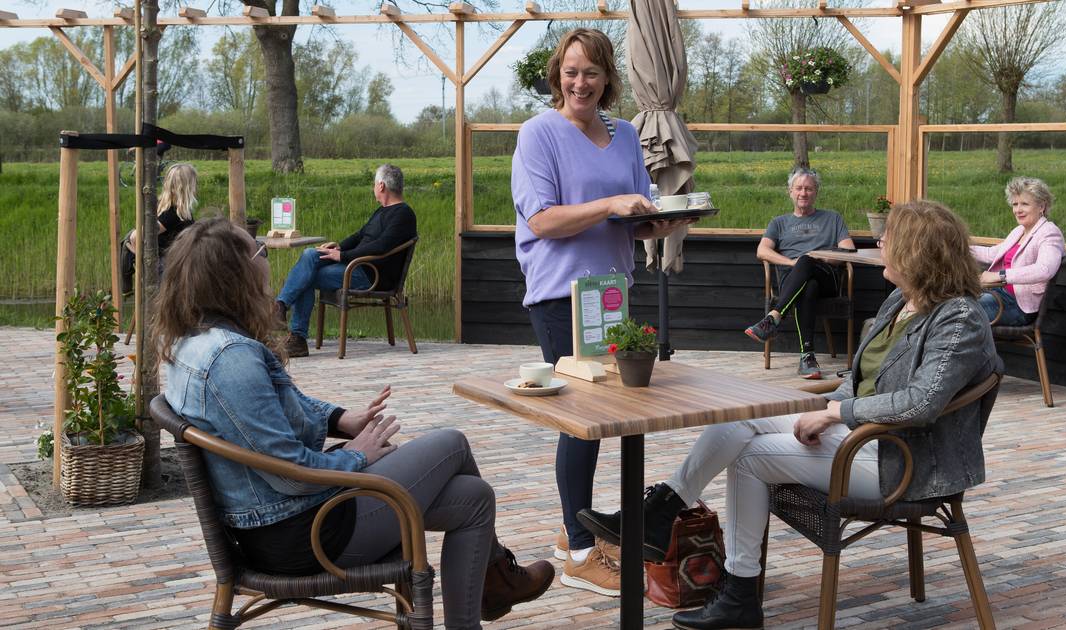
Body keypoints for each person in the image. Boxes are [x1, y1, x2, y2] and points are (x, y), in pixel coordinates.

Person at [578, 200, 1003, 629]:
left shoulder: (959, 317)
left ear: (917, 251)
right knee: (736, 417)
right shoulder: (900, 300)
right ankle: (664, 513)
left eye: (889, 237)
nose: (879, 242)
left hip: (904, 460)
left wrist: (837, 414)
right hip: (866, 436)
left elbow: (921, 402)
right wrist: (825, 407)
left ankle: (731, 587)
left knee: (748, 457)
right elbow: (859, 379)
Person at [155, 218, 553, 630]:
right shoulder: (232, 361)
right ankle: (499, 579)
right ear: (234, 275)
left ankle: (488, 593)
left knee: (474, 496)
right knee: (452, 443)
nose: (267, 259)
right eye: (260, 251)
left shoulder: (196, 342)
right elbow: (291, 476)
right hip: (306, 533)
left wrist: (340, 419)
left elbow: (283, 408)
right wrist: (354, 456)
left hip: (287, 520)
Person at [510, 27, 693, 596]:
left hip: (612, 292)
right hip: (559, 294)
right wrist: (612, 203)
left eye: (591, 72)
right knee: (583, 418)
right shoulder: (537, 134)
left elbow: (629, 215)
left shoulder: (624, 135)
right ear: (556, 76)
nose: (579, 82)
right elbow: (541, 220)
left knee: (606, 413)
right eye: (570, 71)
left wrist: (656, 222)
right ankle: (582, 551)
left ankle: (574, 531)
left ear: (608, 78)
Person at [275, 164, 417, 357]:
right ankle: (281, 307)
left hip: (369, 275)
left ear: (381, 186)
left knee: (306, 277)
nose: (374, 188)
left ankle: (295, 334)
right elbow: (360, 236)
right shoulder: (381, 211)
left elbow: (381, 246)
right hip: (357, 266)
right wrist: (339, 247)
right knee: (310, 255)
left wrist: (342, 256)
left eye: (374, 184)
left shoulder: (404, 214)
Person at [743, 168, 855, 379]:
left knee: (808, 263)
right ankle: (807, 357)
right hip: (794, 283)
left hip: (827, 278)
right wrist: (793, 263)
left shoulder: (833, 218)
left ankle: (773, 318)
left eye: (809, 189)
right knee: (808, 286)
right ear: (790, 192)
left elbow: (848, 250)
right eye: (799, 188)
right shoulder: (779, 222)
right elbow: (762, 251)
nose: (803, 193)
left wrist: (818, 259)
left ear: (816, 192)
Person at [971, 176, 1065, 326]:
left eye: (1024, 204)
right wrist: (958, 247)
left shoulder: (1049, 233)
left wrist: (999, 276)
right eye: (1015, 204)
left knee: (960, 311)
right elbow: (992, 254)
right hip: (999, 295)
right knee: (952, 302)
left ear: (1041, 206)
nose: (1018, 210)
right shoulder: (1019, 230)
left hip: (1018, 307)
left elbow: (1044, 269)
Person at [123, 161, 198, 256]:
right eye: (194, 183)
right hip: (166, 266)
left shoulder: (172, 208)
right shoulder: (172, 212)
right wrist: (141, 259)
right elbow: (135, 236)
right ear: (187, 186)